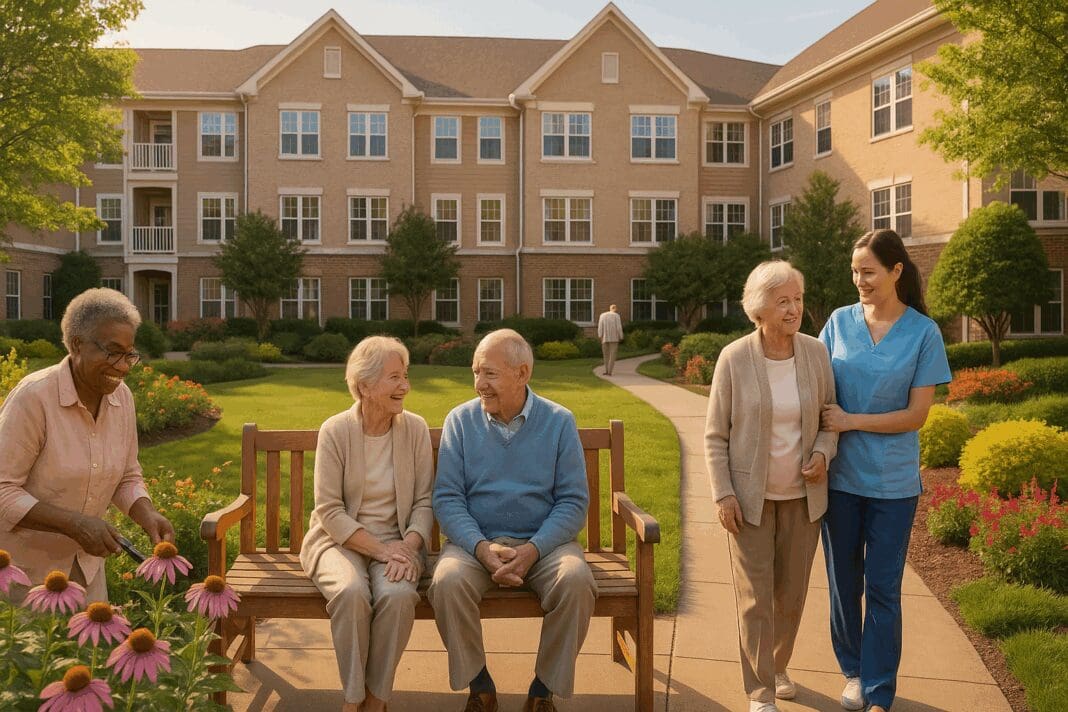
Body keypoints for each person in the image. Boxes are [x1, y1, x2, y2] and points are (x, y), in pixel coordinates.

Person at [818, 229, 951, 712]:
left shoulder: (923, 332)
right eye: (854, 271)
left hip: (894, 485)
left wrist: (853, 421)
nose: (859, 280)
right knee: (843, 583)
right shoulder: (838, 321)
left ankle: (878, 691)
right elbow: (815, 385)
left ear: (896, 271)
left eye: (868, 271)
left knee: (882, 586)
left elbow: (917, 415)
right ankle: (853, 672)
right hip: (840, 481)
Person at [429, 328, 596, 712]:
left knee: (575, 580)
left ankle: (543, 690)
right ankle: (479, 684)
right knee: (446, 581)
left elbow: (572, 501)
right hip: (477, 543)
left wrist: (534, 550)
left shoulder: (558, 421)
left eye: (489, 374)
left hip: (544, 543)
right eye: (475, 373)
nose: (478, 385)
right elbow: (448, 498)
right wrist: (481, 548)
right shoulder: (460, 421)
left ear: (522, 374)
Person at [704, 261, 839, 712]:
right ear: (759, 310)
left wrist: (822, 453)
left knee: (792, 596)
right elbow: (715, 435)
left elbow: (829, 417)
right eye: (783, 301)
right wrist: (723, 493)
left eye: (797, 299)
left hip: (803, 500)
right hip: (749, 502)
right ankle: (760, 691)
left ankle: (778, 666)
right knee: (754, 599)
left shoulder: (816, 353)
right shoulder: (735, 358)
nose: (794, 308)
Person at [0, 288, 174, 603]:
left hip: (87, 571)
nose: (122, 366)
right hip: (24, 578)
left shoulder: (122, 398)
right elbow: (3, 491)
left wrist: (146, 512)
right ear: (77, 343)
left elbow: (127, 475)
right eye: (112, 352)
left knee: (92, 654)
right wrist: (75, 525)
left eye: (129, 354)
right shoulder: (34, 398)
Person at [300, 336, 434, 712]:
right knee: (350, 592)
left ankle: (377, 698)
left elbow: (424, 502)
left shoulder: (415, 429)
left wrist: (406, 547)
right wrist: (380, 549)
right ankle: (353, 697)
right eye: (394, 377)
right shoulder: (336, 430)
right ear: (364, 386)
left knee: (398, 596)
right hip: (337, 540)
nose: (405, 386)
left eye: (405, 375)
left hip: (399, 541)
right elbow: (328, 509)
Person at [596, 304, 623, 376]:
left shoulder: (602, 315)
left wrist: (600, 335)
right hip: (614, 338)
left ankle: (606, 370)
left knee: (605, 355)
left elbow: (600, 326)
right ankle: (609, 371)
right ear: (615, 309)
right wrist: (621, 336)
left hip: (604, 338)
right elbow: (619, 327)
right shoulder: (616, 316)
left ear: (610, 308)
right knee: (612, 355)